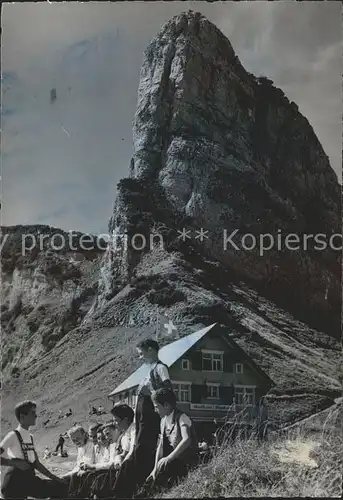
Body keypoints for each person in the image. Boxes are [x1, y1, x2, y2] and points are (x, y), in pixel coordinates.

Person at [111, 339, 171, 498]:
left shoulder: (161, 368)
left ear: (151, 350)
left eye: (141, 353)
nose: (140, 357)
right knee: (134, 456)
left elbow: (167, 393)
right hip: (141, 422)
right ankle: (126, 492)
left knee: (139, 455)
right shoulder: (149, 370)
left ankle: (131, 492)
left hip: (150, 422)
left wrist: (150, 389)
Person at [0, 400, 68, 499]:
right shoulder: (12, 435)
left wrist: (55, 478)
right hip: (13, 483)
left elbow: (36, 464)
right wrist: (15, 463)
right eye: (32, 413)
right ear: (22, 417)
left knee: (60, 487)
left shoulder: (30, 437)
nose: (36, 416)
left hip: (29, 480)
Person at [141, 388, 198, 496]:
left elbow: (187, 440)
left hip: (185, 460)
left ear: (166, 405)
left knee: (165, 478)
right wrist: (155, 469)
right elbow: (161, 446)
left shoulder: (182, 417)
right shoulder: (163, 421)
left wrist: (169, 458)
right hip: (173, 460)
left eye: (157, 407)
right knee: (151, 478)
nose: (155, 410)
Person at [63, 425, 96, 497]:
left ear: (84, 435)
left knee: (71, 479)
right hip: (83, 473)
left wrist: (69, 474)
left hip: (91, 473)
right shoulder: (80, 446)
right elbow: (78, 464)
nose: (76, 441)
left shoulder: (90, 444)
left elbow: (88, 462)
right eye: (73, 440)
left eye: (78, 438)